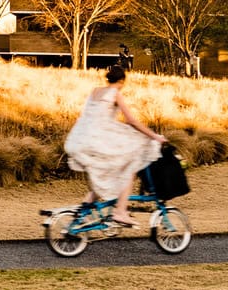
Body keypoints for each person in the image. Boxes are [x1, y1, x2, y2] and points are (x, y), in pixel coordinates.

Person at [64, 65, 167, 227]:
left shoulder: (95, 91)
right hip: (100, 138)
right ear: (121, 81)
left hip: (80, 138)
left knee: (106, 173)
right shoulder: (115, 93)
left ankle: (83, 211)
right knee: (131, 166)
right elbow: (131, 121)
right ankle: (120, 211)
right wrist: (155, 136)